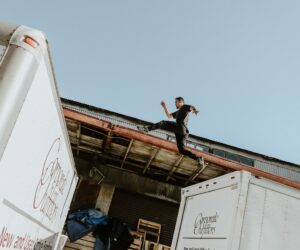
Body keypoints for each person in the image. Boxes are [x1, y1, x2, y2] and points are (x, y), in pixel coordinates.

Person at [137, 97, 204, 167]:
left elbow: (191, 107)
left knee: (163, 123)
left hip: (180, 127)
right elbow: (169, 116)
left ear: (181, 102)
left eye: (176, 102)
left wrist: (195, 110)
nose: (175, 104)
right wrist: (164, 107)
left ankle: (147, 129)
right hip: (182, 133)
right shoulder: (178, 112)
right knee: (182, 150)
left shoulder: (184, 106)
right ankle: (198, 158)